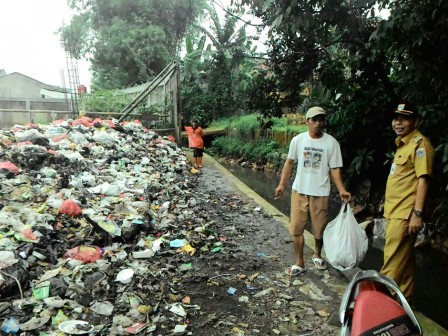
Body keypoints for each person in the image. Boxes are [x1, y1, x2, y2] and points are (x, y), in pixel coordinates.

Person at [275, 106, 351, 276]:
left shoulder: (331, 143)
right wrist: (281, 184)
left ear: (324, 122)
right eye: (314, 120)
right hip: (299, 191)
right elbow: (289, 163)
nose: (318, 123)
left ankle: (317, 254)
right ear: (307, 121)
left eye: (321, 120)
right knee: (296, 228)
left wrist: (341, 189)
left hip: (321, 192)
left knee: (319, 230)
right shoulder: (298, 140)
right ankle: (299, 262)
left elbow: (335, 169)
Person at [381, 103, 434, 299]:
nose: (398, 123)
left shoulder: (421, 145)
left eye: (404, 118)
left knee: (391, 263)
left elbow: (423, 180)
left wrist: (417, 214)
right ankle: (404, 302)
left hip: (404, 214)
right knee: (405, 261)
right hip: (394, 211)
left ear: (415, 121)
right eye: (396, 118)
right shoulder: (403, 144)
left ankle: (380, 306)